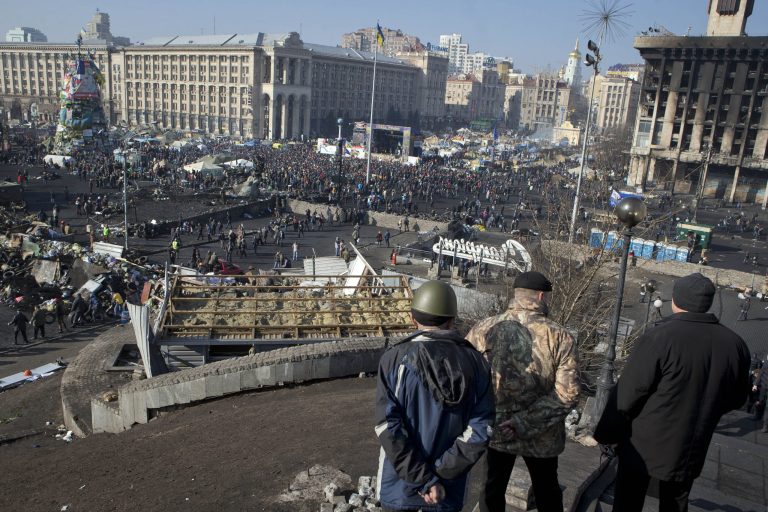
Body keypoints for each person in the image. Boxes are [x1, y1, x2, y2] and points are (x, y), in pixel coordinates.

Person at [595, 273, 751, 512]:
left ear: (676, 300)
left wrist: (605, 433)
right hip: (691, 448)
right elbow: (737, 398)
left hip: (643, 445)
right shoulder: (735, 344)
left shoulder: (660, 336)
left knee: (628, 501)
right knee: (676, 502)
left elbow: (628, 393)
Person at [375, 280, 493, 512]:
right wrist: (439, 476)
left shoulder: (393, 360)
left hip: (400, 488)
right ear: (452, 320)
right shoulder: (476, 363)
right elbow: (481, 429)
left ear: (412, 319)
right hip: (447, 490)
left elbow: (387, 427)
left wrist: (422, 479)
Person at [466, 271, 580, 512]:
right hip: (542, 437)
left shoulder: (484, 329)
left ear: (515, 295)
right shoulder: (559, 336)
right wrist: (522, 423)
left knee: (491, 490)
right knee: (547, 492)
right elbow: (567, 394)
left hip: (496, 429)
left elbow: (465, 381)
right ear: (541, 296)